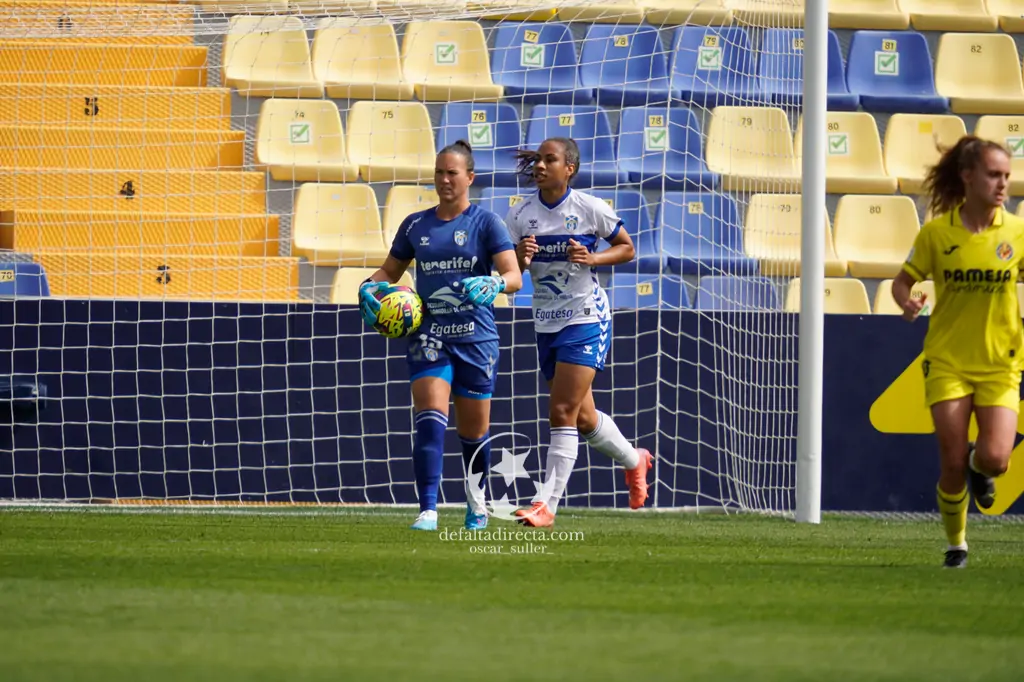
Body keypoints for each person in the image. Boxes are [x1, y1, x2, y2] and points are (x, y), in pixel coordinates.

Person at [358, 141, 522, 532]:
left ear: (470, 177)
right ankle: (427, 509)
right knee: (430, 418)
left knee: (473, 432)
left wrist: (495, 282)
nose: (445, 179)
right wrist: (368, 286)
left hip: (476, 338)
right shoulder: (416, 224)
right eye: (439, 172)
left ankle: (476, 503)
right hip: (429, 335)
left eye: (452, 173)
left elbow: (515, 276)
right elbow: (390, 272)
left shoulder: (487, 224)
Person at [505, 137, 654, 528]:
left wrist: (594, 257)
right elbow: (509, 273)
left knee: (562, 411)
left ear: (569, 167)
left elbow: (627, 248)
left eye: (548, 160)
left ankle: (545, 504)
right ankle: (634, 460)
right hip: (545, 320)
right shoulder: (520, 215)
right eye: (537, 159)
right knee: (584, 418)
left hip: (585, 315)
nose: (539, 165)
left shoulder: (589, 208)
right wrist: (520, 258)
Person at [892, 135, 1023, 569]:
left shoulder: (1017, 232)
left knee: (997, 459)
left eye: (1006, 175)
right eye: (993, 175)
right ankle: (957, 544)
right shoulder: (936, 234)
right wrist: (907, 302)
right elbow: (902, 282)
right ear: (968, 177)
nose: (1003, 184)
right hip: (947, 360)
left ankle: (978, 466)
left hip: (1000, 363)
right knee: (949, 460)